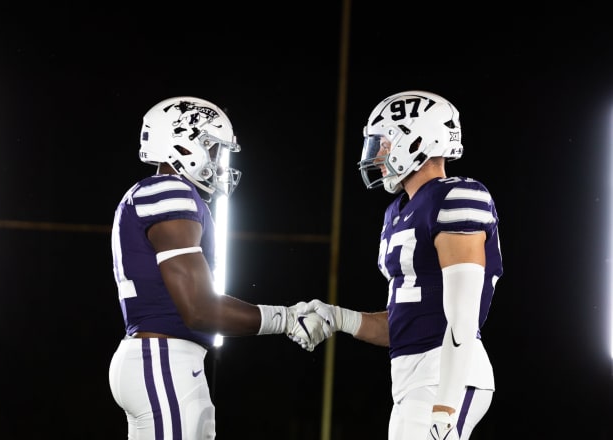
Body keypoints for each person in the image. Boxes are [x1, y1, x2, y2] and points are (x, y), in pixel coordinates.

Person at [108, 96, 328, 440]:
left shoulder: (156, 193)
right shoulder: (169, 190)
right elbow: (198, 309)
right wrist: (285, 318)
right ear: (183, 141)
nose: (217, 161)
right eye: (212, 148)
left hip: (162, 357)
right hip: (163, 357)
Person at [298, 90, 504, 439]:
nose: (376, 155)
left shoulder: (456, 196)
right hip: (414, 379)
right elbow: (406, 322)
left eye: (382, 144)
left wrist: (446, 404)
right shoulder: (397, 213)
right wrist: (339, 318)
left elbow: (463, 316)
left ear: (415, 140)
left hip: (447, 375)